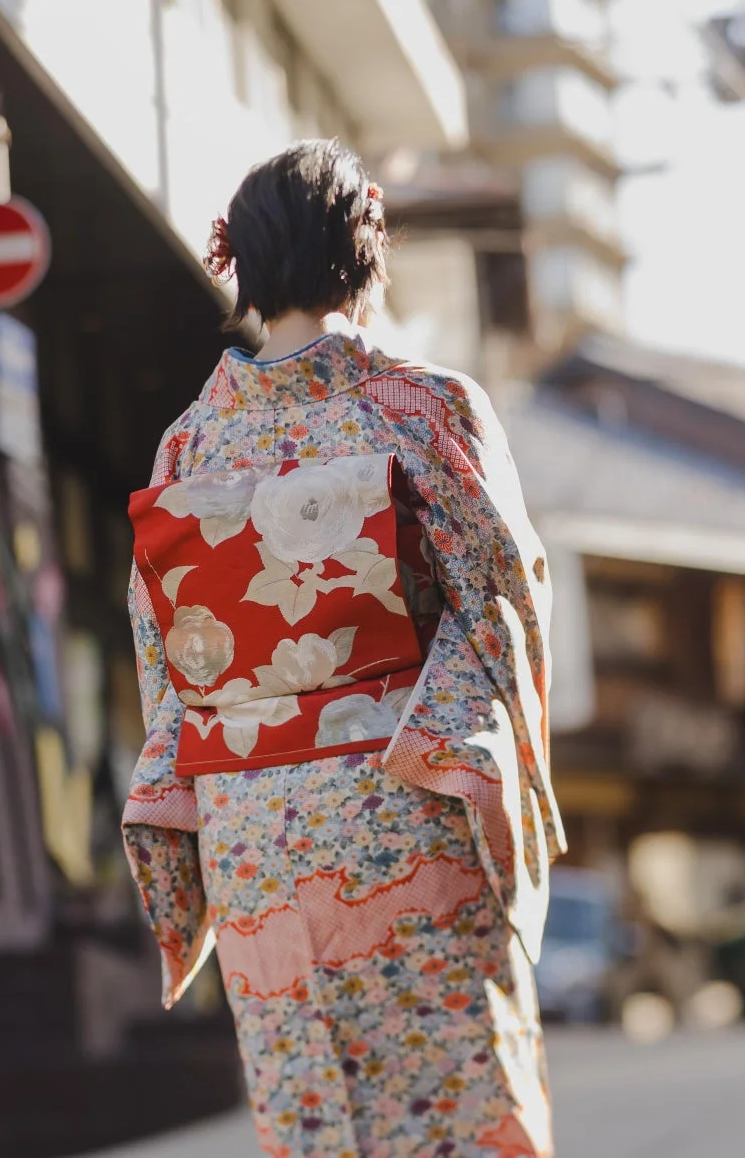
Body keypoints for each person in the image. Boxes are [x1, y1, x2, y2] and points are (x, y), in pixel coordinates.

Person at [121, 140, 565, 1157]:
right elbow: (501, 591)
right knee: (452, 1087)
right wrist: (469, 752)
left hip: (254, 837)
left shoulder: (188, 445)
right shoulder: (421, 404)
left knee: (310, 1097)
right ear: (364, 249)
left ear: (244, 263)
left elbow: (166, 650)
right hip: (399, 800)